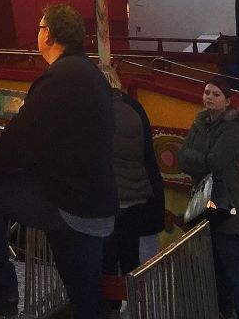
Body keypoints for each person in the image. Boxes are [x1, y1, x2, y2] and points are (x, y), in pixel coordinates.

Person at [0, 4, 116, 317]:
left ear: (49, 35)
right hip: (94, 202)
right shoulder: (90, 75)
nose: (37, 32)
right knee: (86, 298)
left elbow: (21, 136)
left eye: (40, 27)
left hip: (68, 202)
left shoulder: (60, 77)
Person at [177, 77, 239, 319]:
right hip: (205, 206)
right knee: (215, 270)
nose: (209, 97)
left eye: (215, 94)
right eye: (207, 93)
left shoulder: (233, 129)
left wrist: (197, 159)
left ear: (228, 101)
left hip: (226, 206)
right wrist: (201, 160)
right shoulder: (200, 122)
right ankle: (224, 312)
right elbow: (182, 156)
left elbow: (215, 161)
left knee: (233, 270)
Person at [99, 64, 164, 303]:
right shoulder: (134, 107)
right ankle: (134, 304)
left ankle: (112, 303)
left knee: (108, 255)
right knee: (130, 255)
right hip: (137, 191)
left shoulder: (103, 112)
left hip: (114, 194)